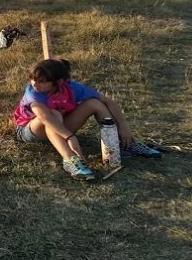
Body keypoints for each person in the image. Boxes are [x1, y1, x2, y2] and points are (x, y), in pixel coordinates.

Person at [14, 58, 161, 181]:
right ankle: (70, 159)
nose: (34, 84)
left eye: (41, 81)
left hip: (60, 127)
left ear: (58, 82)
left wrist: (124, 128)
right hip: (30, 131)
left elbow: (108, 101)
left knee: (94, 103)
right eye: (32, 79)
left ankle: (124, 144)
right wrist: (70, 137)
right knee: (54, 115)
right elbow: (44, 117)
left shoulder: (71, 88)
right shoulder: (33, 92)